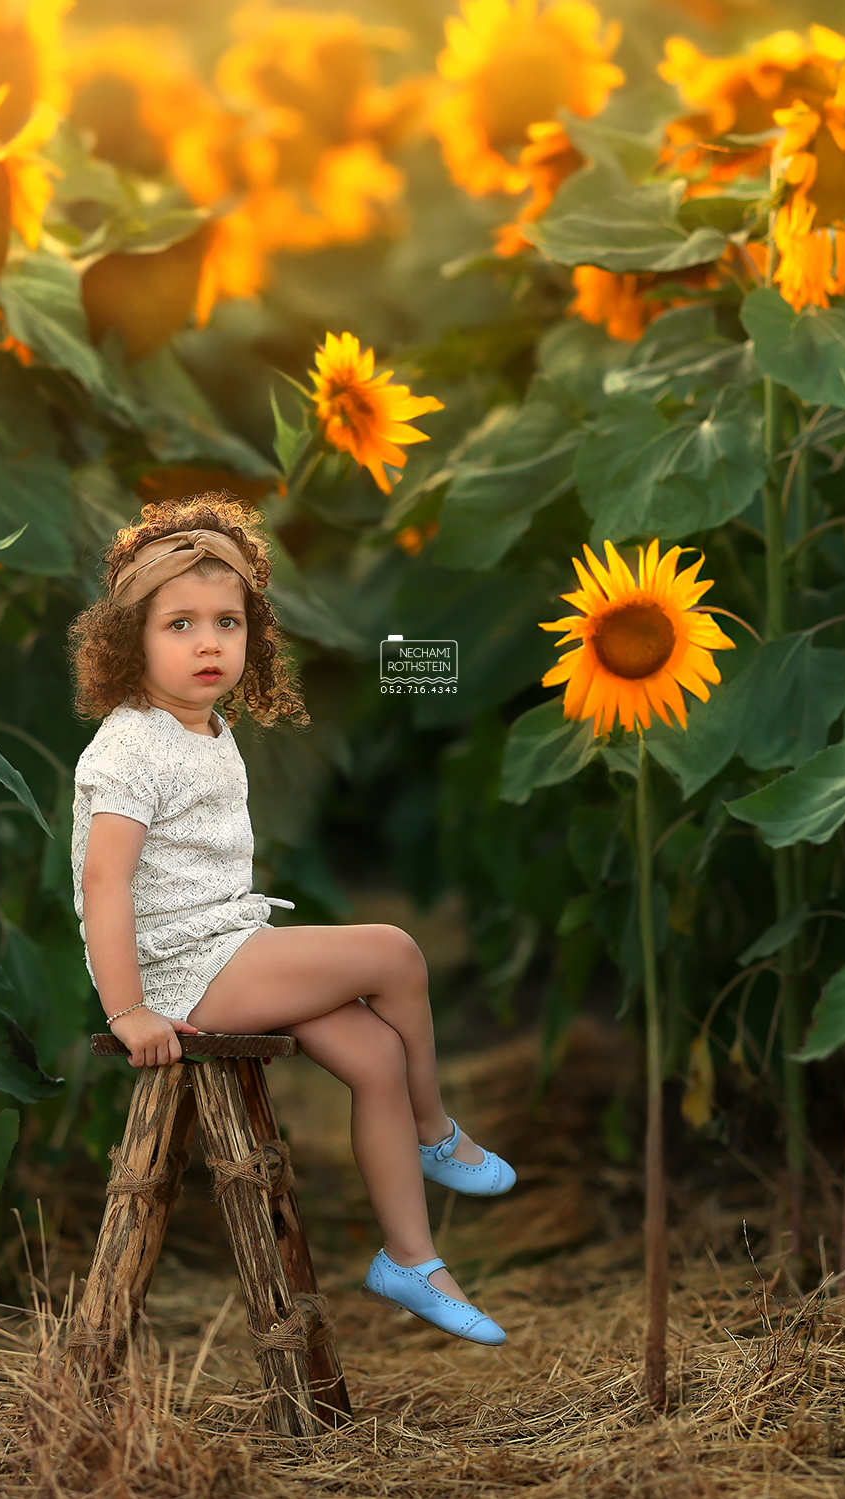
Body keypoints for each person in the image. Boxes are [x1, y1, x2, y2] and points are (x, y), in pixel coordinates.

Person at [65, 492, 516, 1346]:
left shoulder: (204, 728)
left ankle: (410, 1261)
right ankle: (435, 1133)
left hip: (225, 945)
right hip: (178, 972)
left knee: (376, 1055)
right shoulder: (129, 747)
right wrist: (128, 1010)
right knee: (394, 951)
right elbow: (104, 882)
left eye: (227, 623)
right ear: (129, 640)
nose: (208, 644)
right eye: (179, 625)